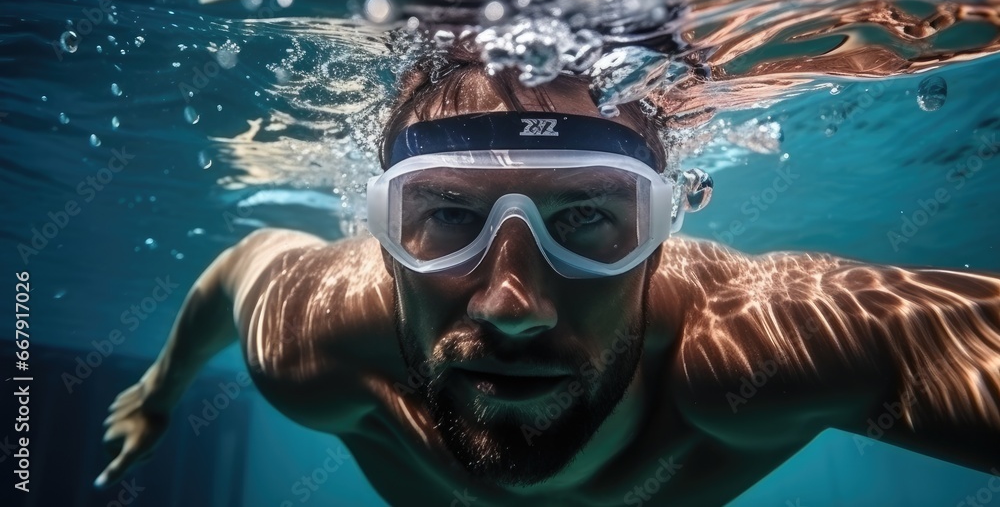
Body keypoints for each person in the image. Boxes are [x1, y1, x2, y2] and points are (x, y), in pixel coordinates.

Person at [95, 38, 1000, 506]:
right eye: (448, 215)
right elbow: (244, 265)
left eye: (587, 219)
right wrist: (162, 390)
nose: (513, 305)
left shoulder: (756, 354)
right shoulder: (319, 345)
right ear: (382, 231)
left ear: (662, 228)